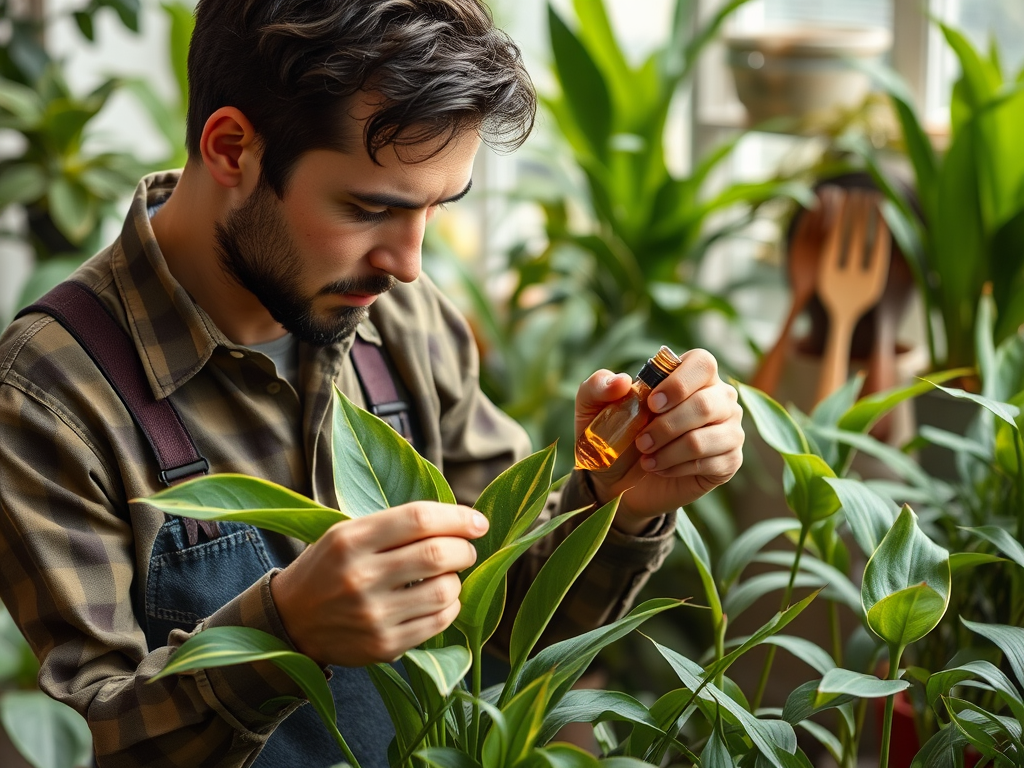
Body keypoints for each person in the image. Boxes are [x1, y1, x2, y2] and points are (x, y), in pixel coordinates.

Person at [0, 1, 745, 766]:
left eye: (435, 209)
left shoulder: (408, 326)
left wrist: (616, 507)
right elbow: (96, 738)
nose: (409, 264)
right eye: (368, 209)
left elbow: (505, 623)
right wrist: (280, 633)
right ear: (232, 149)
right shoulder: (51, 394)